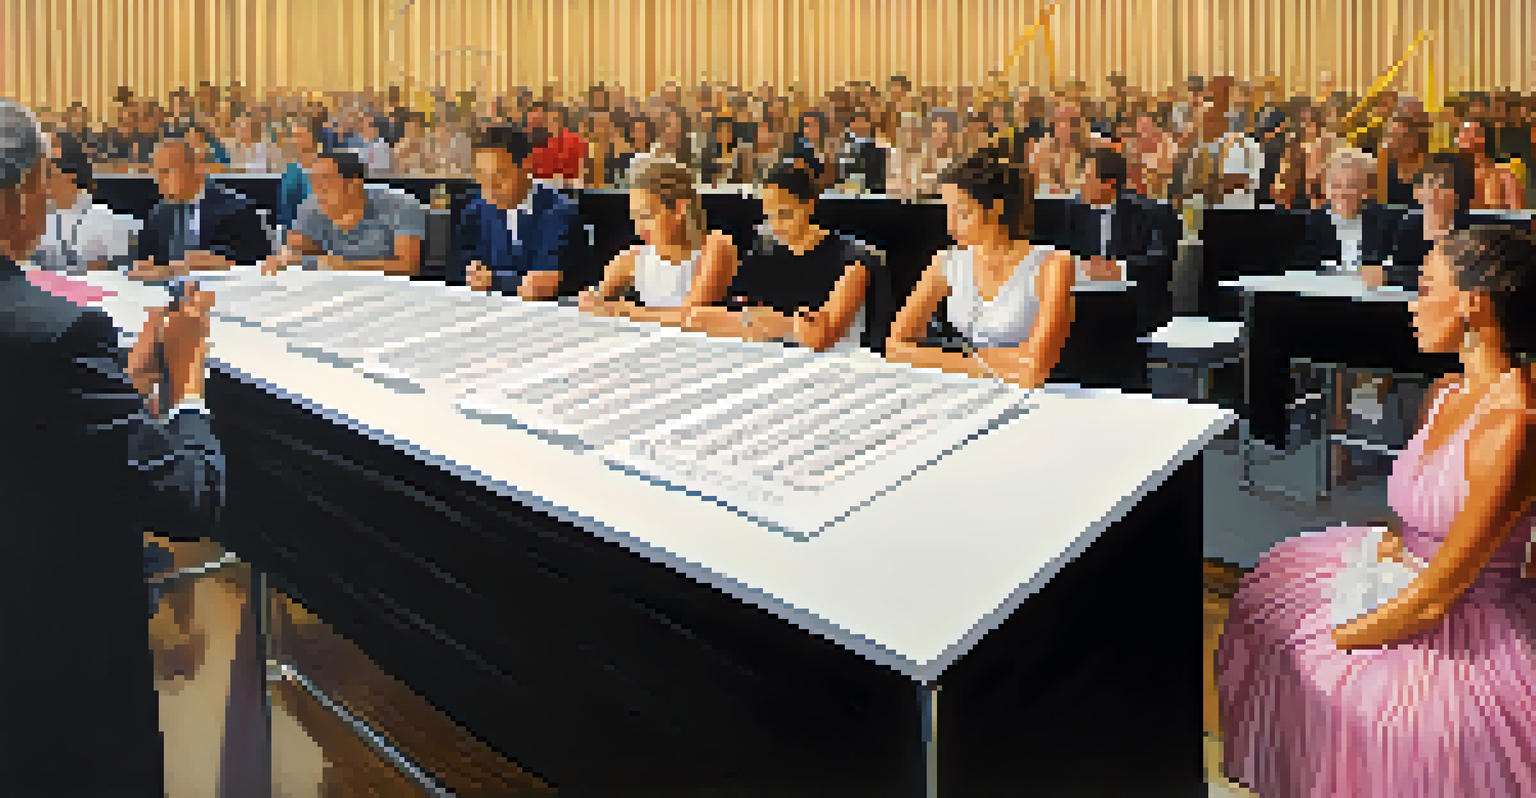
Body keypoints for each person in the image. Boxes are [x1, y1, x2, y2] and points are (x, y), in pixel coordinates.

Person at [1217, 226, 1536, 798]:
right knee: (1265, 611)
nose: (1412, 306)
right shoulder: (1445, 389)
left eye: (1425, 287)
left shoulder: (1514, 424)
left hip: (1459, 621)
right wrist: (1396, 544)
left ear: (1472, 304)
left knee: (1313, 662)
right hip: (1407, 576)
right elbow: (1423, 511)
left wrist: (1334, 639)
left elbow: (1438, 598)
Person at [0, 98, 226, 798]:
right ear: (18, 196)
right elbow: (190, 498)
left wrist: (115, 393)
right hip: (55, 672)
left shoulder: (53, 350)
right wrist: (187, 388)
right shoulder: (57, 335)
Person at [885, 147, 1075, 389]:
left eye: (962, 213)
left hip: (1031, 397)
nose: (950, 224)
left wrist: (935, 357)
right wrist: (988, 363)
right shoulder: (947, 261)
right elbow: (894, 346)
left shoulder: (1052, 265)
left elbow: (1036, 368)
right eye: (947, 211)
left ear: (995, 208)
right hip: (960, 389)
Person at [684, 161, 889, 355]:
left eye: (785, 214)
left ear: (809, 205)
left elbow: (821, 338)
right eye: (769, 216)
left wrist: (762, 322)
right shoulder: (762, 252)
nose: (776, 225)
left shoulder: (853, 260)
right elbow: (702, 318)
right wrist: (785, 325)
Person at [578, 158, 737, 326]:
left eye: (647, 216)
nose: (639, 229)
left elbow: (692, 318)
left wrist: (624, 310)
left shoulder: (716, 246)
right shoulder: (633, 258)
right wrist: (592, 300)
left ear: (678, 210)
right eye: (635, 218)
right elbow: (594, 303)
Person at [1068, 148, 1182, 337]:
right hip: (1084, 308)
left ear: (1109, 183)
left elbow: (1160, 259)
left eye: (1088, 177)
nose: (1081, 184)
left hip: (1132, 308)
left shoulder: (1149, 213)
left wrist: (1117, 269)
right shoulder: (1074, 214)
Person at [456, 126, 579, 298]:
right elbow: (463, 269)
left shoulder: (558, 211)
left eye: (500, 176)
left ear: (526, 166)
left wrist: (491, 280)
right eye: (482, 177)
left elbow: (543, 285)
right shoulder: (476, 210)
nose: (490, 188)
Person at [263, 150, 423, 276]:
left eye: (325, 180)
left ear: (354, 184)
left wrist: (343, 264)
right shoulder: (312, 206)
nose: (316, 188)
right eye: (313, 180)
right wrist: (286, 256)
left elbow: (407, 266)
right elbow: (297, 248)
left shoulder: (400, 204)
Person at [130, 139, 271, 280]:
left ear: (197, 169)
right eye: (155, 174)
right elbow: (145, 260)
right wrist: (146, 268)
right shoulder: (159, 213)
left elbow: (258, 259)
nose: (158, 181)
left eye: (165, 172)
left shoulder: (238, 209)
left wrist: (226, 263)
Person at [1379, 153, 1475, 292]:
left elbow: (1456, 282)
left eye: (1443, 185)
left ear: (1458, 195)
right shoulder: (1408, 227)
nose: (1434, 191)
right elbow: (1399, 273)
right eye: (1429, 183)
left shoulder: (1469, 233)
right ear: (1418, 191)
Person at [1294, 148, 1400, 274]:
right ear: (1325, 187)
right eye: (1336, 185)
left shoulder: (1390, 222)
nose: (1342, 193)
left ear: (1368, 190)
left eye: (1352, 185)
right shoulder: (1308, 222)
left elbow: (1404, 269)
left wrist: (1386, 273)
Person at [32, 151, 141, 274]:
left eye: (48, 177)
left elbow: (113, 272)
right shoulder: (45, 219)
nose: (42, 184)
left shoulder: (105, 220)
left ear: (70, 178)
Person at [275, 116, 320, 230]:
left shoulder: (328, 164)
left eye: (300, 136)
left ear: (311, 136)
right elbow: (285, 210)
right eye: (293, 136)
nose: (296, 140)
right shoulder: (290, 171)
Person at [835, 109, 888, 194]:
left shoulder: (879, 147)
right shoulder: (843, 146)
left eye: (862, 122)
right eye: (856, 122)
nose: (859, 126)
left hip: (873, 192)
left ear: (869, 125)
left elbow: (880, 176)